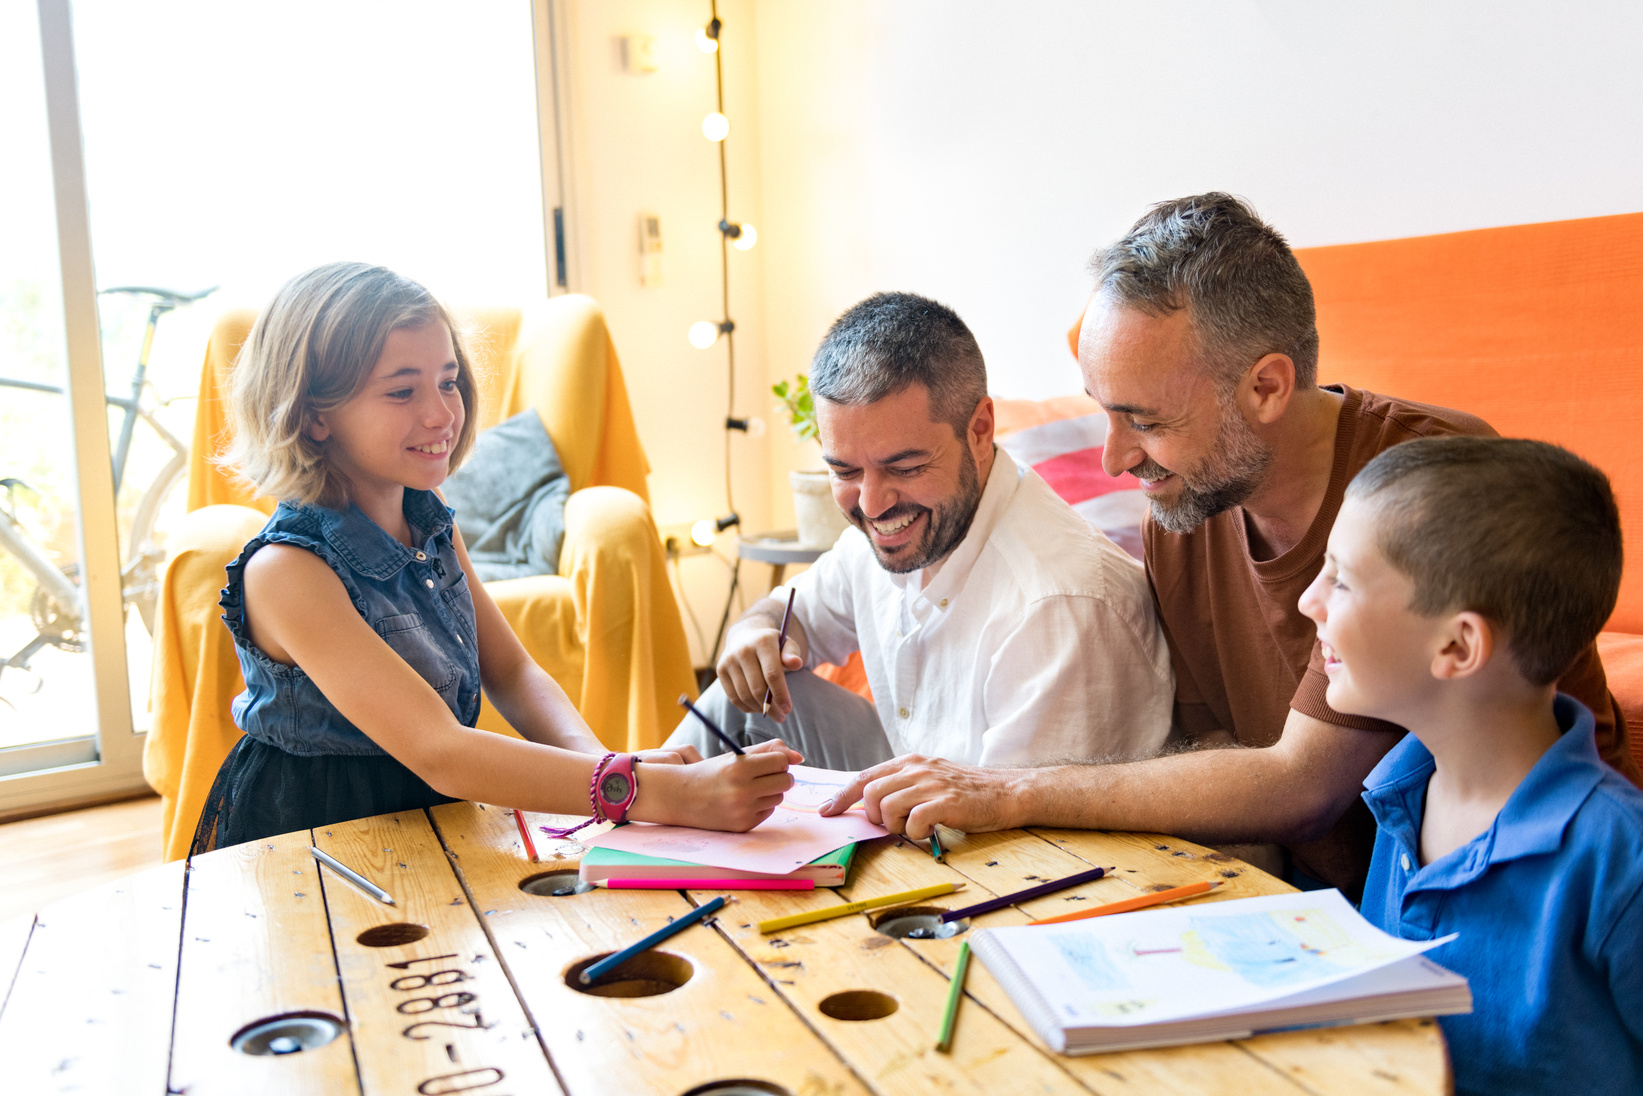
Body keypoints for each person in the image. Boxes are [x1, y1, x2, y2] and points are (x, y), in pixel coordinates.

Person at [822, 195, 1638, 895]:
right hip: (1335, 899)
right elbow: (1210, 747)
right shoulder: (1180, 511)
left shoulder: (1422, 488)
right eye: (1103, 411)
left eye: (1144, 420)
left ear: (1267, 386)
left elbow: (1302, 785)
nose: (1113, 459)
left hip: (1523, 898)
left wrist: (1006, 791)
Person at [192, 262, 795, 852]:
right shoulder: (286, 572)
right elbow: (441, 751)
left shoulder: (429, 521)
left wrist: (608, 769)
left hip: (437, 813)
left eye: (448, 381)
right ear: (314, 417)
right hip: (324, 836)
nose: (441, 413)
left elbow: (514, 673)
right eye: (402, 391)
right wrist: (654, 793)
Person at [667, 291, 1173, 772]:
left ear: (979, 431)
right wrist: (753, 630)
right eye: (845, 472)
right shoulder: (889, 536)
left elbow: (1017, 852)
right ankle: (628, 815)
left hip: (1001, 844)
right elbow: (789, 614)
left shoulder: (1059, 606)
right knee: (738, 698)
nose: (871, 504)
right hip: (914, 781)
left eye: (904, 467)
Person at [1302, 437, 1643, 1095]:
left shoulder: (1618, 863)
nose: (1307, 602)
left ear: (1456, 646)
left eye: (1340, 580)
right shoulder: (1399, 793)